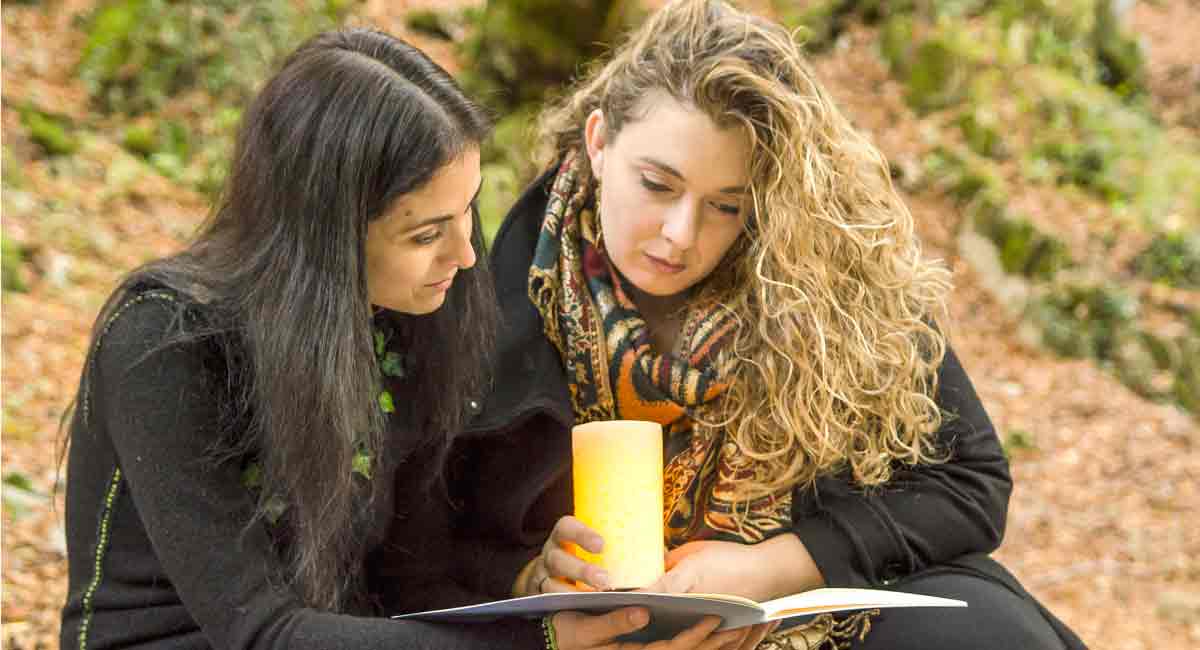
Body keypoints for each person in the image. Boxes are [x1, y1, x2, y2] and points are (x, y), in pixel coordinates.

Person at [57, 27, 747, 650]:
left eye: (466, 212)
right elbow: (261, 629)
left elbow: (411, 589)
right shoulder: (165, 341)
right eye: (424, 233)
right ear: (325, 237)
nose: (466, 254)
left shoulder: (408, 320)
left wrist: (534, 592)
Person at [448, 2, 1087, 649]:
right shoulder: (490, 290)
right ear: (598, 142)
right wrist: (531, 579)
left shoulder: (827, 280)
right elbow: (433, 545)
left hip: (825, 620)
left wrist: (775, 568)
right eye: (657, 185)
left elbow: (969, 482)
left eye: (726, 206)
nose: (680, 234)